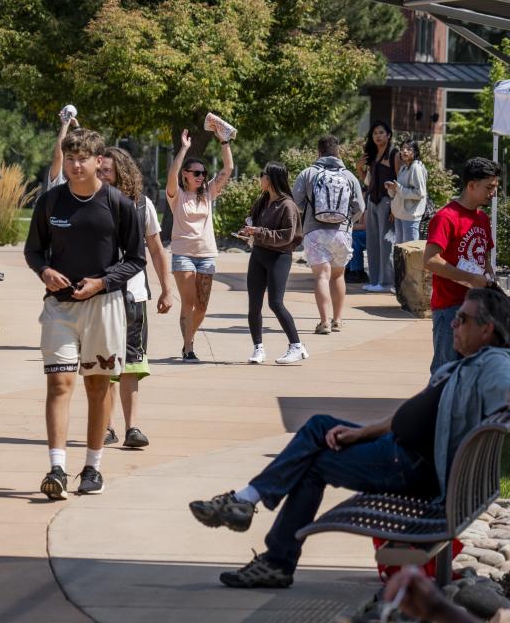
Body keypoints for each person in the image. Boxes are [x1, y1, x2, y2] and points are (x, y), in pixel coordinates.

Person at [188, 286, 510, 590]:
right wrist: (362, 432)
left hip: (409, 465)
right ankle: (250, 508)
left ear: (487, 330)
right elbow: (414, 415)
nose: (453, 323)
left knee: (312, 462)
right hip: (397, 451)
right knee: (318, 427)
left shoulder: (493, 363)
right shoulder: (469, 363)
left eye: (463, 319)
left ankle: (264, 537)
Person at [24, 128, 146, 499]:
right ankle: (57, 468)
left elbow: (135, 259)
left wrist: (103, 282)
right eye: (71, 158)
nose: (76, 166)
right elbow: (34, 252)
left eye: (84, 159)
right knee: (59, 384)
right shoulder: (51, 203)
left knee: (97, 387)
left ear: (99, 161)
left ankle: (92, 467)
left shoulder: (117, 203)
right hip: (59, 308)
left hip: (104, 306)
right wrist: (44, 271)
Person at [98, 146, 173, 448]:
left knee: (131, 363)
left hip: (134, 295)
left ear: (122, 172)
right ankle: (105, 426)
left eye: (106, 170)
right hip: (100, 295)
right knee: (103, 364)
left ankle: (132, 428)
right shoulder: (88, 203)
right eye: (98, 169)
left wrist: (167, 289)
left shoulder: (143, 206)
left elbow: (155, 249)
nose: (101, 174)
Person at [423, 157, 498, 373]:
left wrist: (488, 281)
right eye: (489, 187)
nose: (493, 192)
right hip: (450, 308)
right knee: (445, 370)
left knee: (473, 370)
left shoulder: (482, 219)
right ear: (472, 185)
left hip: (478, 307)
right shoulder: (446, 217)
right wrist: (471, 278)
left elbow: (484, 258)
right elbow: (430, 260)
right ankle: (437, 407)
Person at [166, 127, 234, 361]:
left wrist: (224, 142)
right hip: (183, 254)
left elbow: (228, 169)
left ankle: (189, 338)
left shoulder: (207, 193)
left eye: (203, 173)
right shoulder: (177, 195)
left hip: (206, 255)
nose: (200, 176)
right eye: (195, 173)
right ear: (186, 174)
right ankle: (188, 348)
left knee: (202, 307)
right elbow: (172, 175)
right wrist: (184, 149)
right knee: (188, 302)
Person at [292, 134, 364, 336]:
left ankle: (324, 321)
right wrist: (348, 222)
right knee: (338, 275)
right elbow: (360, 206)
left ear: (319, 152)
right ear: (338, 151)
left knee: (321, 276)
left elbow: (295, 203)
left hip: (315, 231)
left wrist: (309, 214)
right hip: (342, 232)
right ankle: (338, 320)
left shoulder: (308, 173)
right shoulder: (349, 176)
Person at [239, 162, 305, 365]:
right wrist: (247, 230)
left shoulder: (288, 206)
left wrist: (258, 232)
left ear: (271, 179)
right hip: (258, 255)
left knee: (275, 303)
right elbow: (254, 223)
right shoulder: (263, 200)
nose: (260, 178)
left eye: (263, 175)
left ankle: (297, 346)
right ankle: (258, 348)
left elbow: (287, 236)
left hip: (279, 257)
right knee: (254, 306)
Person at [355, 120, 401, 293]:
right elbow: (368, 181)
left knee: (385, 243)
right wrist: (360, 168)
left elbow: (399, 183)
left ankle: (387, 282)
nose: (378, 136)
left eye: (381, 133)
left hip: (387, 202)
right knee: (372, 241)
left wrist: (395, 208)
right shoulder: (372, 154)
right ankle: (375, 281)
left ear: (388, 135)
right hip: (372, 201)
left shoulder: (394, 154)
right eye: (375, 133)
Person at [386, 137, 428, 247]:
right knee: (400, 251)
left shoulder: (416, 168)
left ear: (415, 152)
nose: (404, 151)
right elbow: (400, 191)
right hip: (400, 214)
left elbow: (420, 193)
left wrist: (398, 188)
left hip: (410, 216)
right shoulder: (404, 168)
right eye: (402, 148)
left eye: (409, 149)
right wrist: (392, 188)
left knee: (410, 251)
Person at [344, 208, 368, 285]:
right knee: (346, 236)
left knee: (354, 237)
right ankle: (348, 270)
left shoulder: (366, 202)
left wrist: (344, 226)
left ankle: (357, 272)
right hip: (357, 231)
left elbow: (364, 226)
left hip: (373, 234)